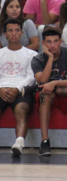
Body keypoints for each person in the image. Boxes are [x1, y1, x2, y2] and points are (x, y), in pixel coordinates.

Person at [32, 26, 67, 155]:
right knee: (45, 95)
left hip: (65, 93)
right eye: (49, 42)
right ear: (43, 44)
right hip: (47, 95)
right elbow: (42, 82)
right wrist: (50, 58)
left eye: (56, 41)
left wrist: (54, 85)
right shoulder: (38, 59)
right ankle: (45, 141)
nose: (53, 45)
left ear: (61, 41)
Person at [0, 18, 37, 157]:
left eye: (17, 30)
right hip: (2, 89)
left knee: (21, 110)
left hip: (22, 90)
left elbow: (31, 77)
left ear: (22, 33)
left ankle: (19, 143)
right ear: (5, 34)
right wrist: (0, 89)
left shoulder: (31, 54)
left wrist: (16, 89)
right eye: (10, 30)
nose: (14, 33)